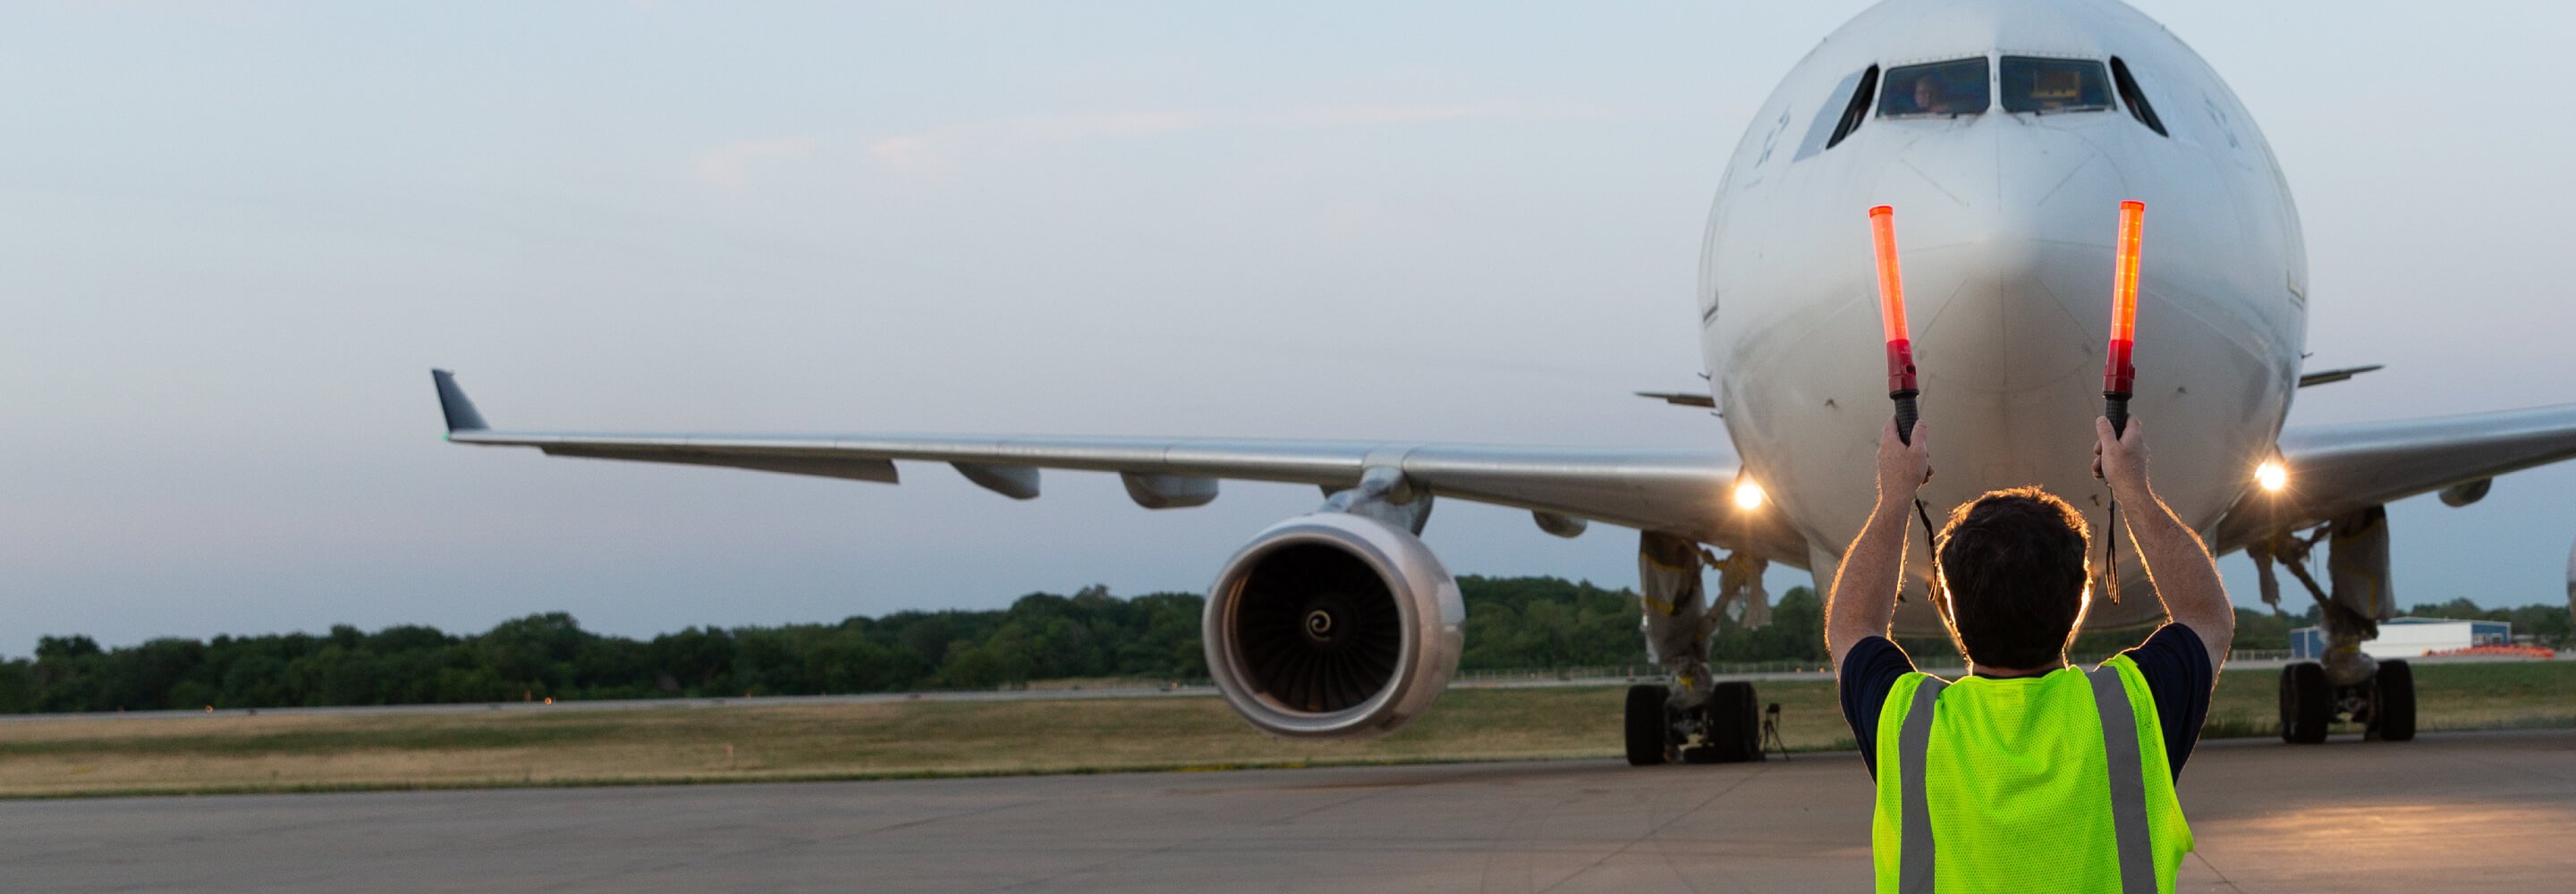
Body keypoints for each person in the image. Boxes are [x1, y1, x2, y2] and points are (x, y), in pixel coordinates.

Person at [1826, 417, 2233, 893]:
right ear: (2081, 596)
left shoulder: (1909, 725)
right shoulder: (2129, 710)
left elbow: (1851, 627)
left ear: (1953, 609)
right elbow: (2206, 617)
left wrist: (1894, 496)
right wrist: (2132, 489)